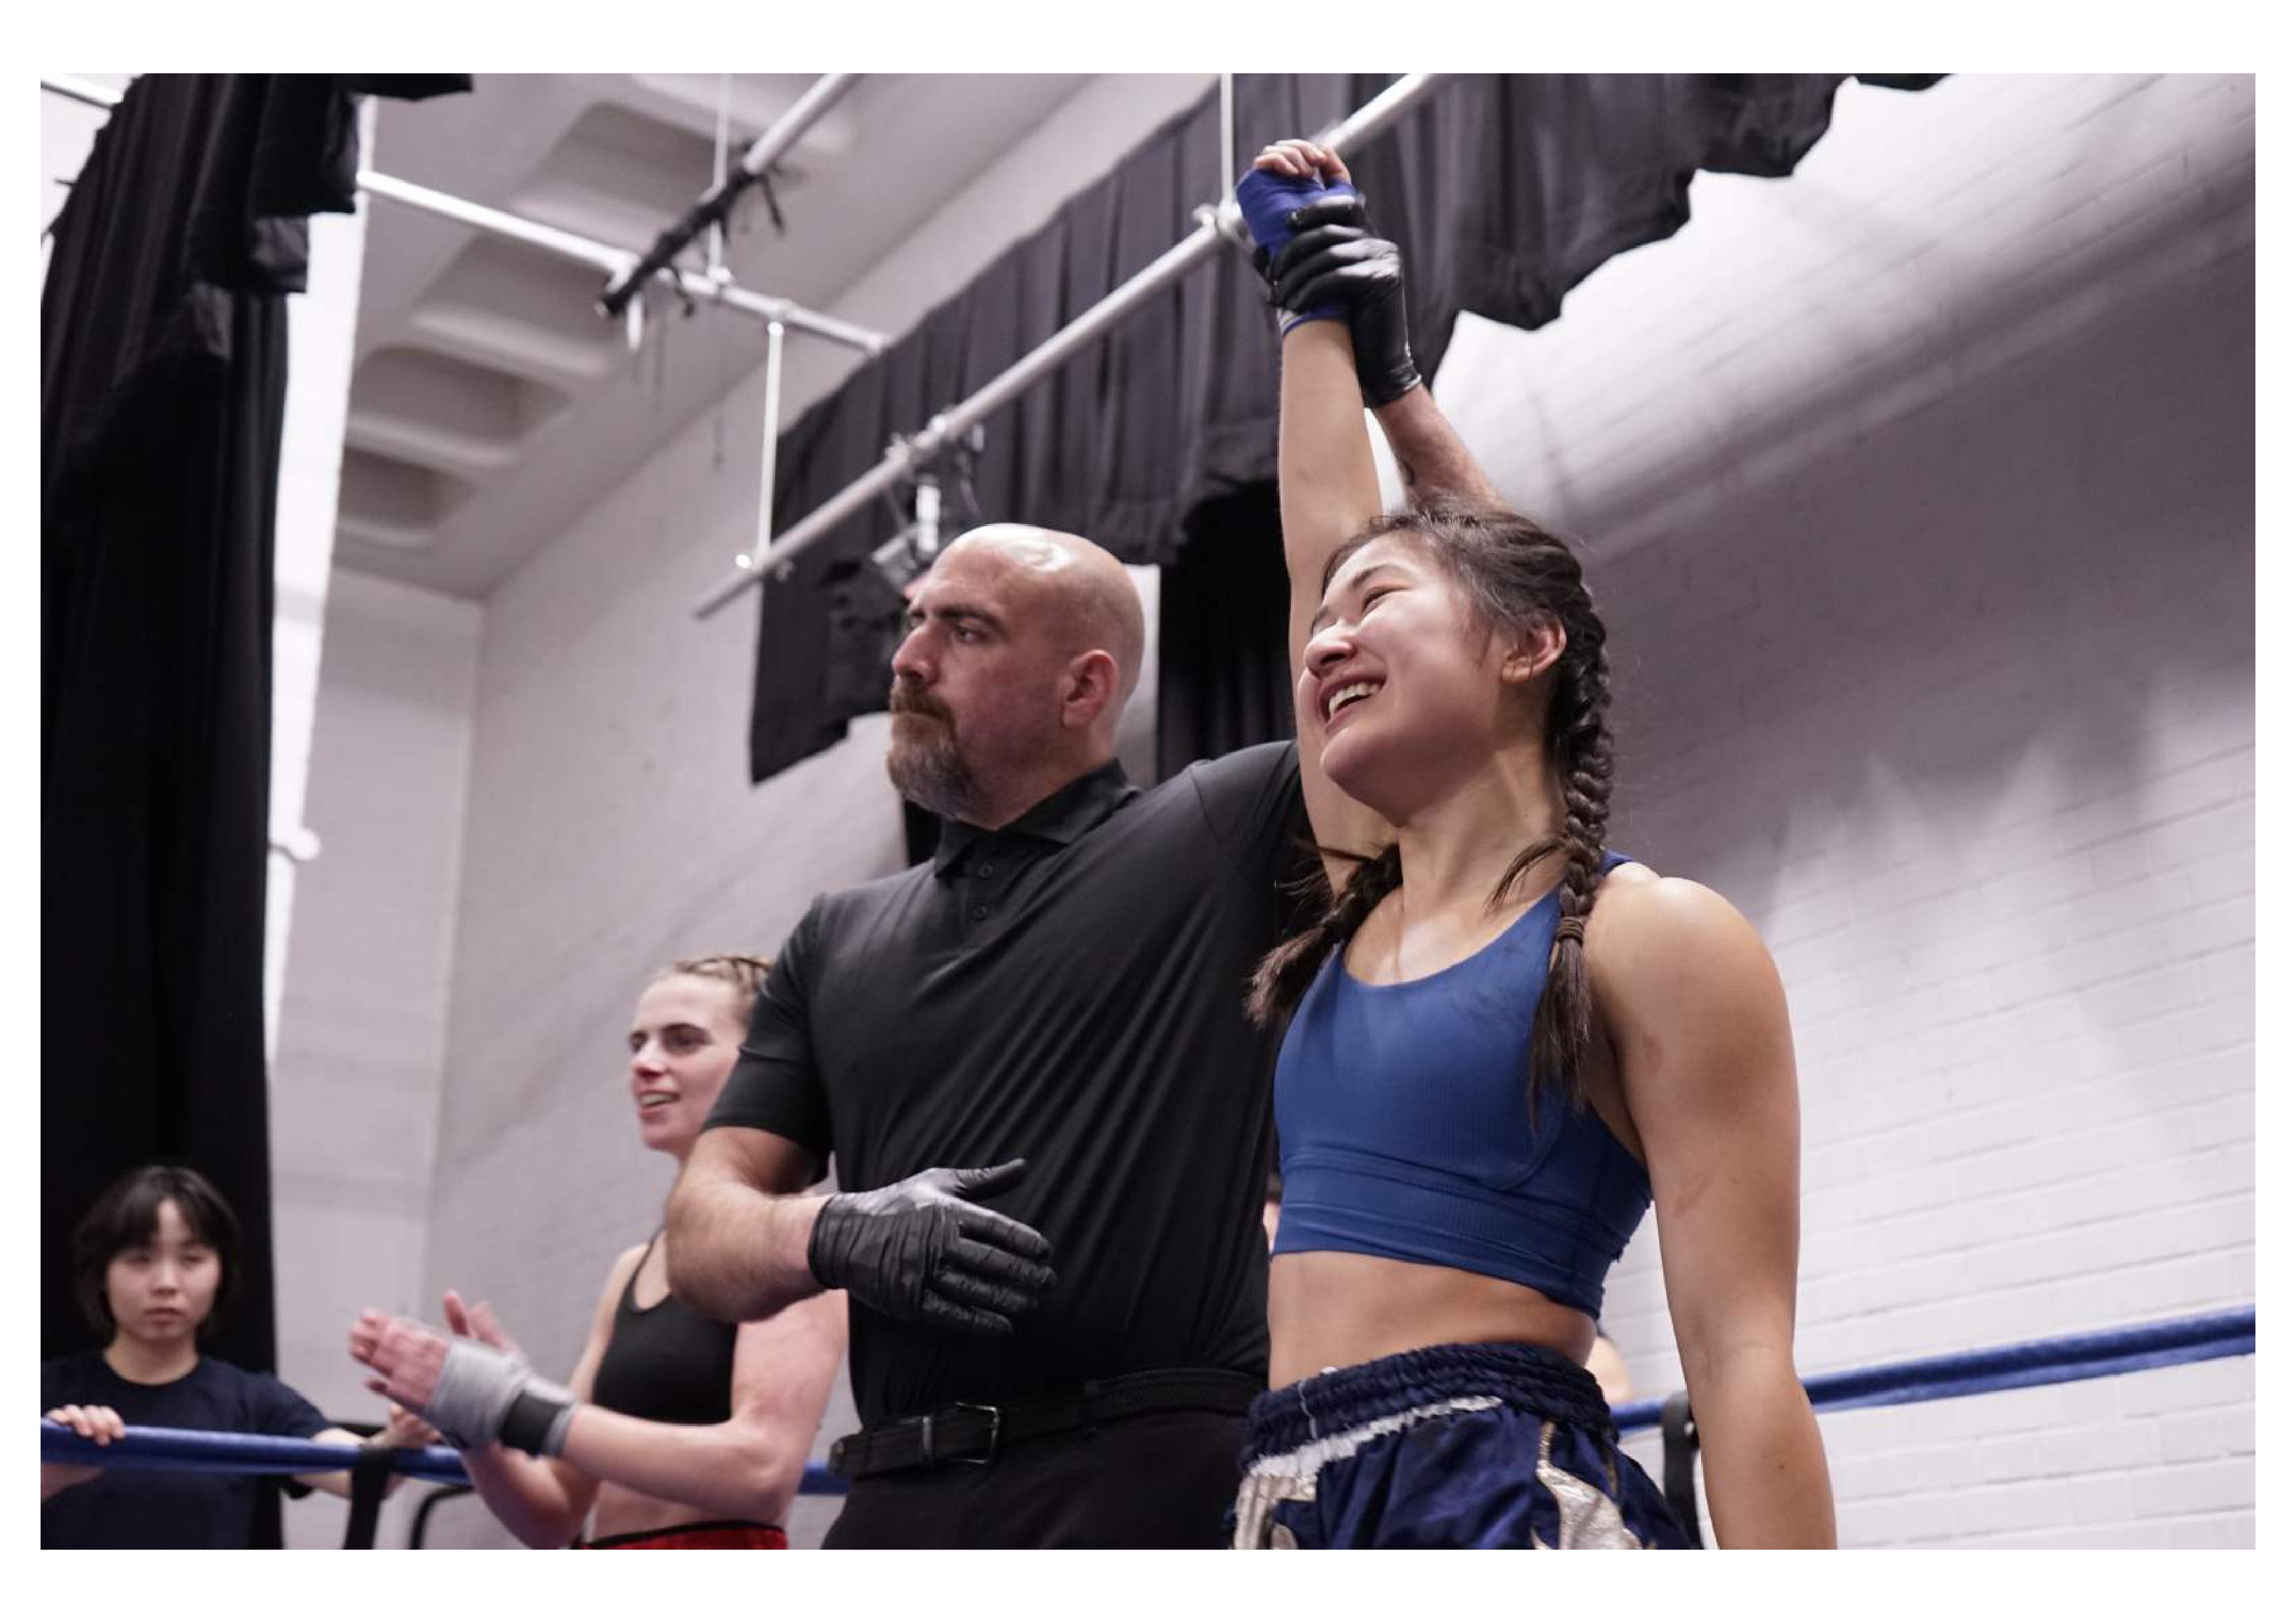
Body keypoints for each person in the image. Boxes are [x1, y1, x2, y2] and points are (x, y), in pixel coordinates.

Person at [1226, 138, 1835, 1548]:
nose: (1325, 638)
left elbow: (1740, 1361)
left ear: (1523, 651)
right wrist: (1307, 300)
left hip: (1491, 1486)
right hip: (1279, 1500)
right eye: (1320, 625)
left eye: (1373, 605)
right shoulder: (1348, 901)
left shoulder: (1653, 937)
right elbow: (1318, 527)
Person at [652, 508, 1345, 1548]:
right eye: (914, 621)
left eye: (964, 632)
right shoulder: (838, 936)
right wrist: (831, 1229)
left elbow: (1455, 665)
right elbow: (702, 1233)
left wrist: (1381, 394)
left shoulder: (1217, 833)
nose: (908, 659)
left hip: (1145, 1491)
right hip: (893, 1504)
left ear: (1085, 688)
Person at [347, 954, 845, 1549]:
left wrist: (521, 1408)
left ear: (761, 1064)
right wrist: (473, 1421)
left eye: (683, 1042)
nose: (644, 1063)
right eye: (638, 1043)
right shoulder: (631, 1270)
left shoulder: (791, 1237)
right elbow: (552, 1513)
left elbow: (760, 1473)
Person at [42, 1164, 436, 1548]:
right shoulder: (45, 1391)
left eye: (191, 1260)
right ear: (101, 1275)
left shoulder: (253, 1401)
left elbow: (360, 1475)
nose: (166, 1283)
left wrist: (404, 1434)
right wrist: (48, 1476)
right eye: (140, 1260)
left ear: (221, 1273)